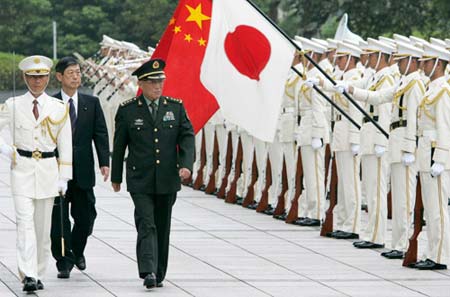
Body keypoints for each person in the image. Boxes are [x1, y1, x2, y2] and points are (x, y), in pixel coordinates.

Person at [111, 59, 195, 289]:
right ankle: (147, 269)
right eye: (153, 82)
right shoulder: (128, 110)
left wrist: (186, 164)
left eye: (161, 81)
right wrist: (116, 176)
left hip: (167, 178)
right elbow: (119, 145)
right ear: (141, 84)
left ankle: (158, 271)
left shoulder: (175, 108)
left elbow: (187, 136)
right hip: (140, 178)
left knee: (162, 224)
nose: (158, 86)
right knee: (146, 222)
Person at [0, 55, 72, 292]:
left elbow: (65, 143)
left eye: (41, 76)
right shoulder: (12, 105)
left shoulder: (58, 107)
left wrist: (64, 177)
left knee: (42, 229)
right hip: (21, 170)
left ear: (48, 77)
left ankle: (38, 270)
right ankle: (28, 274)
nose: (37, 81)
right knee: (24, 224)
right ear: (25, 77)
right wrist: (8, 150)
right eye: (32, 76)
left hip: (48, 172)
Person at [50, 56, 110, 278]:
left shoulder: (91, 103)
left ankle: (77, 250)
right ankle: (63, 262)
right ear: (59, 77)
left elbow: (100, 133)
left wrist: (105, 162)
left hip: (83, 170)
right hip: (57, 172)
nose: (76, 76)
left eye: (78, 72)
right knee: (59, 220)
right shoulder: (51, 104)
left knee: (86, 217)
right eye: (71, 73)